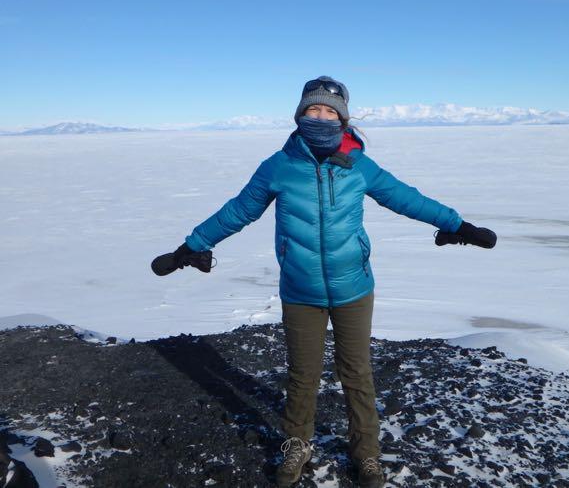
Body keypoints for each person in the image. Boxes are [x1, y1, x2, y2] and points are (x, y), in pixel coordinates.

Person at [153, 76, 497, 487]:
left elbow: (407, 198)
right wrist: (190, 247)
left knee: (357, 372)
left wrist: (458, 225)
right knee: (302, 374)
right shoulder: (278, 166)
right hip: (300, 290)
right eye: (312, 109)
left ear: (342, 118)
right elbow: (237, 211)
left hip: (353, 287)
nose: (320, 116)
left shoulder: (359, 166)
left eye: (329, 111)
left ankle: (366, 454)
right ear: (300, 114)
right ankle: (297, 444)